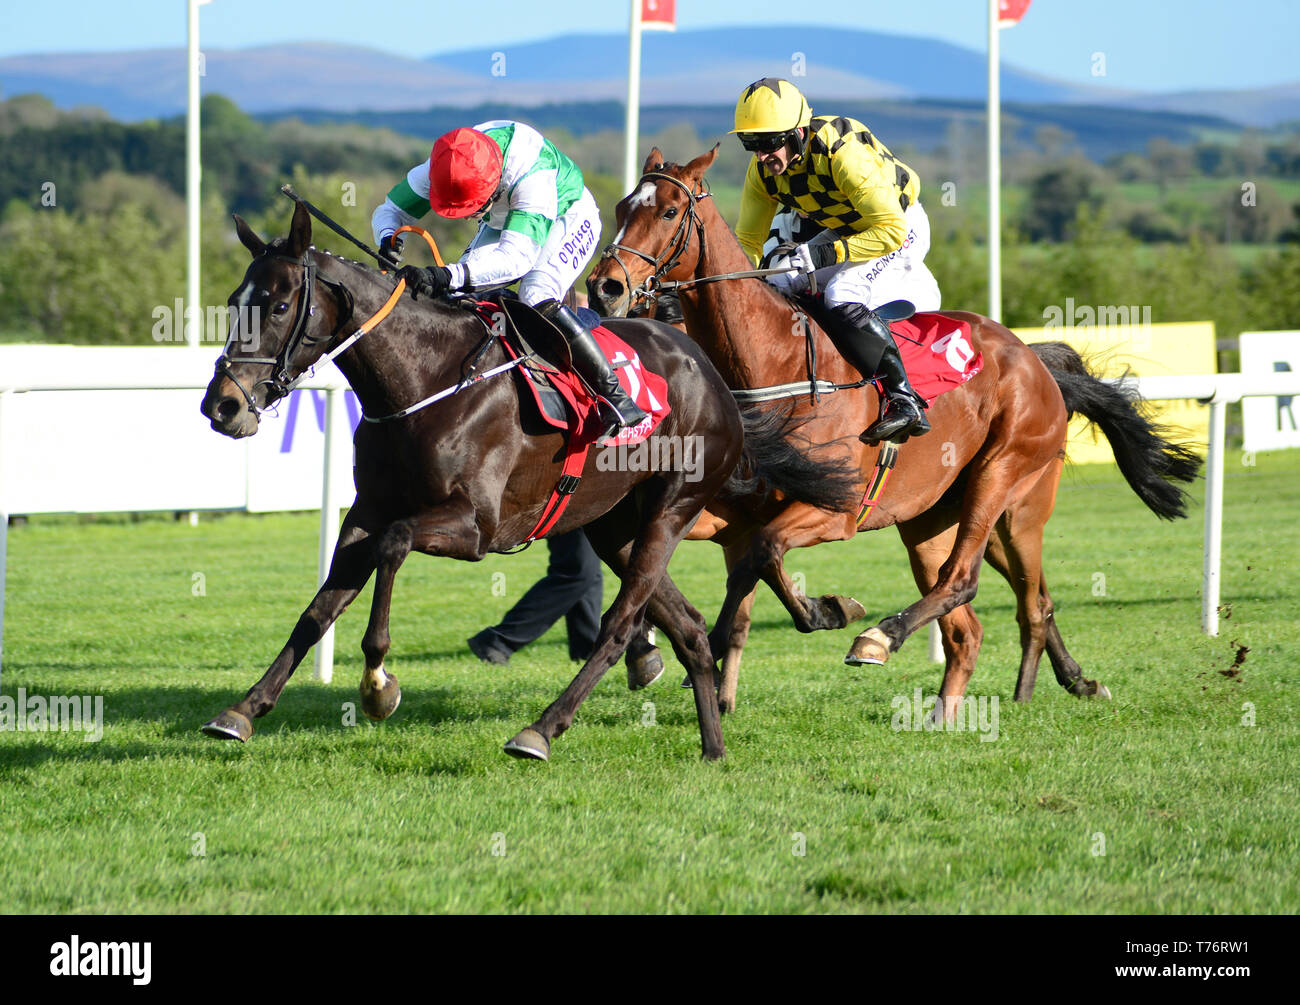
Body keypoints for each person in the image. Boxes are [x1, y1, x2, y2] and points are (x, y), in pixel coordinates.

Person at [372, 120, 647, 437]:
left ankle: (615, 397)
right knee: (461, 297)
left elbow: (517, 259)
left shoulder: (531, 174)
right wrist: (387, 236)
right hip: (505, 216)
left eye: (472, 209)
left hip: (566, 215)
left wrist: (444, 275)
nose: (469, 216)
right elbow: (389, 209)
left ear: (492, 184)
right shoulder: (443, 165)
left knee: (535, 295)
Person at [730, 77, 941, 443]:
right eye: (750, 144)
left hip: (899, 227)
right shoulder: (763, 173)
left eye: (767, 143)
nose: (762, 156)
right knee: (778, 281)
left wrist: (822, 252)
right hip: (849, 229)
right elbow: (748, 242)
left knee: (842, 292)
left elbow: (888, 229)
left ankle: (904, 399)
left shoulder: (842, 154)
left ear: (797, 131)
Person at [467, 529, 602, 666]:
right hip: (574, 509)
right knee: (576, 570)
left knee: (587, 571)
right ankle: (499, 640)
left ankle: (586, 651)